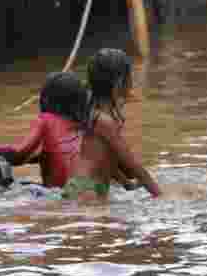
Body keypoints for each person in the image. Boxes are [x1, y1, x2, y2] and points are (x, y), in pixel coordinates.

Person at [63, 48, 162, 201]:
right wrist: (159, 194)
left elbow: (104, 158)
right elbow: (133, 164)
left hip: (82, 186)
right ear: (119, 83)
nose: (132, 82)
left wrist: (126, 183)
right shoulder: (105, 121)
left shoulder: (96, 115)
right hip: (87, 189)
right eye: (130, 76)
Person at [0, 71, 87, 188]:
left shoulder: (46, 120)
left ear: (46, 99)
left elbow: (17, 154)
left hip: (59, 196)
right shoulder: (88, 125)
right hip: (86, 192)